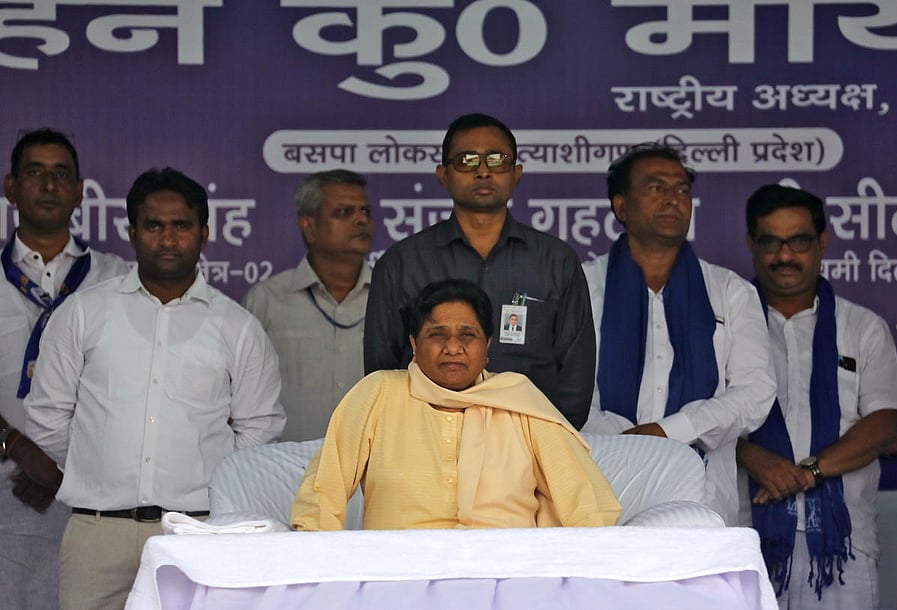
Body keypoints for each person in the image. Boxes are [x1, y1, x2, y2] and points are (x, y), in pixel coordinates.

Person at [24, 167, 286, 610]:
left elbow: (258, 431)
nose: (167, 239)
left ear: (204, 234)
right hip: (96, 534)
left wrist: (208, 498)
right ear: (131, 233)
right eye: (153, 225)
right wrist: (97, 468)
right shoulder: (84, 313)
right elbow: (47, 417)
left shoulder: (238, 328)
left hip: (198, 535)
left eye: (181, 226)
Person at [293, 279, 621, 530]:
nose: (453, 347)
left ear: (487, 344)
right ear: (413, 343)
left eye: (468, 335)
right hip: (398, 580)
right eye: (437, 334)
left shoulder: (519, 400)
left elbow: (586, 501)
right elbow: (322, 494)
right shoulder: (379, 393)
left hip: (508, 580)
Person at [581, 143, 775, 526]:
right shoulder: (581, 285)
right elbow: (560, 391)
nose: (673, 199)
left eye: (682, 190)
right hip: (602, 487)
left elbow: (756, 392)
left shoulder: (729, 290)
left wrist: (670, 432)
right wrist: (626, 443)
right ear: (621, 207)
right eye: (656, 188)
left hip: (703, 501)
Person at [364, 113, 595, 428]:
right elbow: (382, 375)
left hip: (531, 442)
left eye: (497, 160)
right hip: (428, 441)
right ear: (442, 174)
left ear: (516, 173)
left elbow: (576, 378)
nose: (484, 171)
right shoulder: (401, 263)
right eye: (467, 160)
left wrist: (548, 441)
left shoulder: (557, 260)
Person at [737, 184, 897, 609]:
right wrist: (753, 457)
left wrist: (809, 473)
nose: (785, 255)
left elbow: (885, 423)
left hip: (842, 544)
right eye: (771, 242)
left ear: (822, 242)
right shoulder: (725, 325)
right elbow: (703, 419)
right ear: (751, 243)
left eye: (800, 241)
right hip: (741, 540)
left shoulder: (862, 328)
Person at [0, 128, 130, 610]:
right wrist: (15, 446)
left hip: (96, 492)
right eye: (35, 173)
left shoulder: (117, 279)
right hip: (7, 491)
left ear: (80, 191)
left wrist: (59, 464)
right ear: (11, 188)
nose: (49, 185)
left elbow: (139, 386)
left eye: (61, 174)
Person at [243, 169, 374, 441]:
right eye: (344, 212)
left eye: (365, 211)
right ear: (309, 226)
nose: (361, 219)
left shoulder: (391, 297)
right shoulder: (267, 300)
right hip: (285, 472)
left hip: (371, 472)